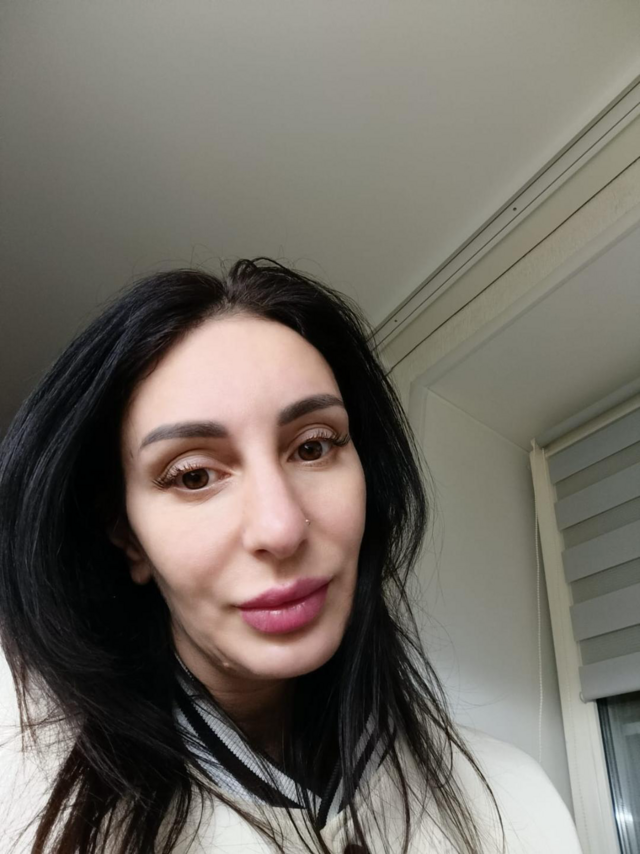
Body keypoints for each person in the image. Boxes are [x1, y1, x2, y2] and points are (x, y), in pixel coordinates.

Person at [0, 259, 582, 854]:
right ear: (128, 537)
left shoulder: (517, 804)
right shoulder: (22, 801)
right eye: (195, 475)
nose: (281, 529)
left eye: (313, 447)